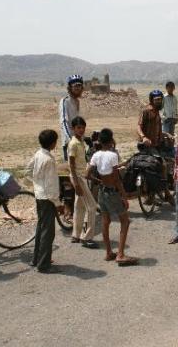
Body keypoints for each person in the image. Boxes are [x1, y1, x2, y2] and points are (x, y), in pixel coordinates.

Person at [87, 128, 138, 265]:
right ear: (111, 140)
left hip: (101, 191)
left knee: (105, 221)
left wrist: (99, 181)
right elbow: (116, 179)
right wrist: (124, 196)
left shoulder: (96, 155)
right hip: (112, 192)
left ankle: (109, 252)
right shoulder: (113, 155)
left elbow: (87, 174)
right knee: (125, 221)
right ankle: (120, 254)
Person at [26, 129, 62, 273]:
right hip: (48, 198)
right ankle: (44, 264)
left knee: (41, 228)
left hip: (39, 195)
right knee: (48, 232)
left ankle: (36, 258)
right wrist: (58, 203)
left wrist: (36, 184)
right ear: (53, 143)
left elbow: (28, 170)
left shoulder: (38, 154)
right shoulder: (49, 160)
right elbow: (51, 186)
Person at [67, 116, 99, 249]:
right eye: (78, 128)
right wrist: (76, 183)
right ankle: (87, 238)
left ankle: (76, 235)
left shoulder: (81, 142)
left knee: (79, 206)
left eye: (83, 127)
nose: (81, 130)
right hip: (78, 177)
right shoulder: (73, 144)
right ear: (73, 129)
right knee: (91, 207)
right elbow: (71, 165)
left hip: (81, 176)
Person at [59, 74, 84, 162]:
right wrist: (70, 140)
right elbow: (64, 122)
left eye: (80, 86)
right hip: (69, 142)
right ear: (70, 87)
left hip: (78, 140)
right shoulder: (65, 101)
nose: (78, 88)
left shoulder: (77, 101)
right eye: (75, 86)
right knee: (71, 169)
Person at [137, 89, 164, 154]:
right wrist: (144, 137)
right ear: (152, 100)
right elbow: (139, 126)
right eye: (156, 100)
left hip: (156, 144)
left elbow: (156, 128)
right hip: (147, 145)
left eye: (160, 99)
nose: (159, 101)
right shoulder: (146, 111)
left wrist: (165, 134)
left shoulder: (157, 111)